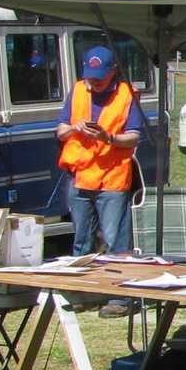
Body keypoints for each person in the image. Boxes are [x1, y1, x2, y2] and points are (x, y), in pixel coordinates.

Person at [56, 45, 145, 318]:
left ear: (112, 72)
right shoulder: (78, 90)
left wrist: (109, 138)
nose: (94, 82)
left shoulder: (125, 95)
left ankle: (121, 297)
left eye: (99, 77)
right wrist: (75, 127)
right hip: (81, 178)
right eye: (90, 76)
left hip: (113, 180)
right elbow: (60, 131)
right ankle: (82, 293)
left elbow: (134, 135)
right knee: (81, 241)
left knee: (116, 241)